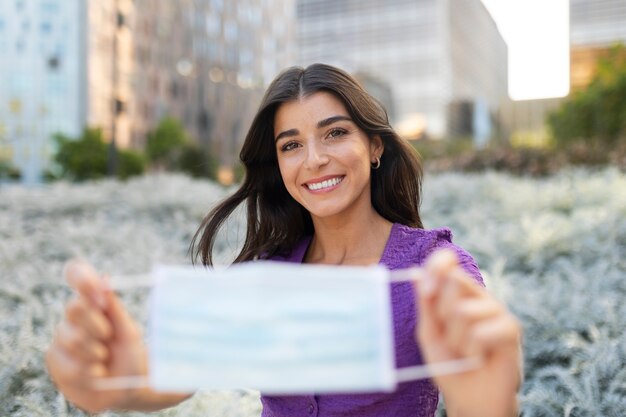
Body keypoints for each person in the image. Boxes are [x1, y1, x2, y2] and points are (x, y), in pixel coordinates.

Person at [46, 64, 522, 416]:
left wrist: (487, 400)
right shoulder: (265, 273)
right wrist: (115, 381)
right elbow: (168, 380)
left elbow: (477, 398)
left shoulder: (435, 269)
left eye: (334, 133)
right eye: (291, 145)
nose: (313, 159)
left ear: (374, 146)